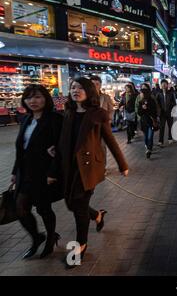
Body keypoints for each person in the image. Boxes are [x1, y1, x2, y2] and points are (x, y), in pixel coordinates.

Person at [48, 77, 128, 267]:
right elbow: (61, 141)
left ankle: (81, 245)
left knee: (78, 207)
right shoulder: (68, 112)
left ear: (89, 91)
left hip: (89, 168)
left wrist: (122, 164)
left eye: (81, 88)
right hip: (69, 168)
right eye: (73, 87)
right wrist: (53, 166)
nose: (76, 90)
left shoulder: (98, 114)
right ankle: (97, 215)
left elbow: (110, 140)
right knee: (71, 203)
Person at [11, 85, 63, 259]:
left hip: (44, 173)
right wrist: (13, 171)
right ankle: (36, 237)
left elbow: (61, 148)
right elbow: (21, 148)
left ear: (46, 99)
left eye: (38, 97)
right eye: (29, 97)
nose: (33, 101)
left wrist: (53, 172)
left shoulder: (55, 119)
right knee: (20, 208)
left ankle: (50, 237)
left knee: (43, 208)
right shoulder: (26, 119)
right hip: (24, 172)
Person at [137, 89, 159, 158]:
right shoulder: (140, 102)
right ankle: (148, 147)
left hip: (151, 121)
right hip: (144, 122)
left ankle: (149, 149)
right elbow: (139, 113)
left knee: (150, 136)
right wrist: (142, 108)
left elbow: (154, 112)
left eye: (141, 93)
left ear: (145, 94)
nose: (140, 95)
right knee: (146, 136)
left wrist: (147, 108)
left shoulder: (152, 101)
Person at [156, 79, 177, 147]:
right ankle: (160, 141)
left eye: (165, 84)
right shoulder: (159, 94)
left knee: (170, 126)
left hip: (169, 112)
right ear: (161, 85)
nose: (164, 85)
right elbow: (157, 104)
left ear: (167, 85)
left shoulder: (171, 94)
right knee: (162, 127)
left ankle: (170, 138)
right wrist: (158, 111)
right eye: (162, 84)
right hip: (162, 113)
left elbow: (174, 103)